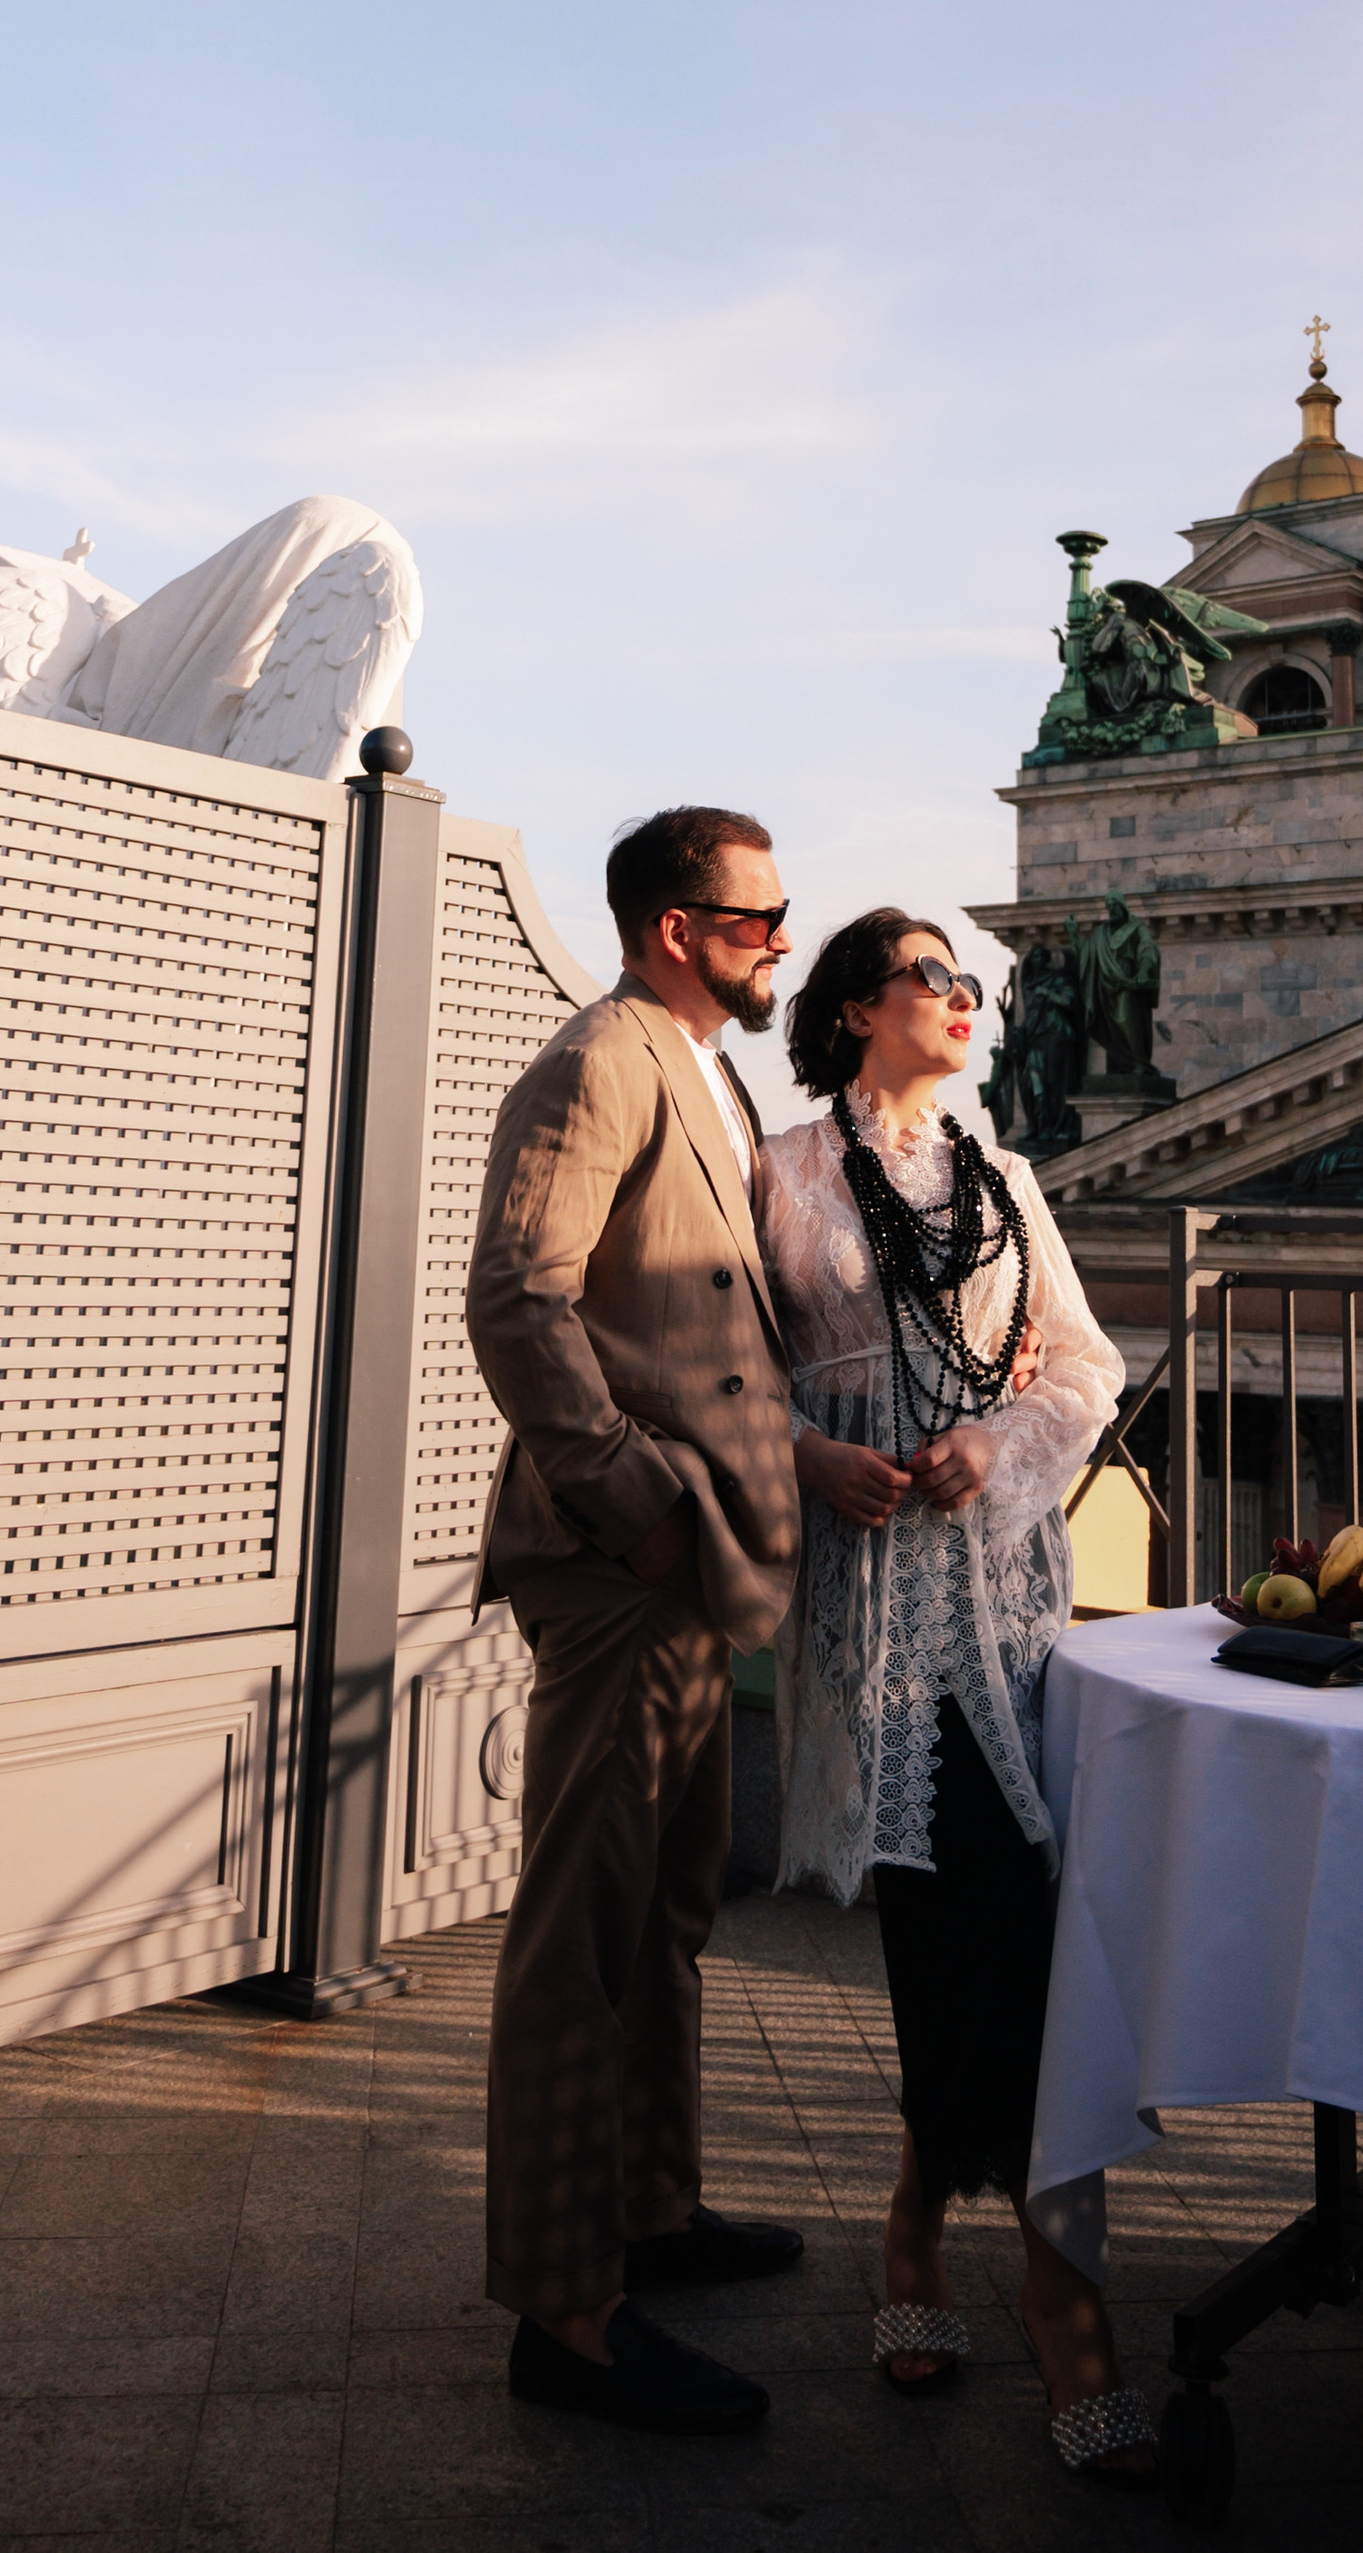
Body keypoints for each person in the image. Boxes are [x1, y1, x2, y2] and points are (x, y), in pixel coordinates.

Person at [759, 908, 1158, 2486]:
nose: (966, 999)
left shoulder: (1004, 1182)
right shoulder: (780, 1176)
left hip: (1006, 1605)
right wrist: (806, 1448)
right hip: (871, 1611)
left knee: (1024, 1923)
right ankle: (1041, 2292)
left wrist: (992, 1446)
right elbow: (723, 1363)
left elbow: (1082, 1366)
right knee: (949, 1925)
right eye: (935, 976)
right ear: (861, 1007)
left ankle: (940, 2232)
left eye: (970, 983)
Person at [465, 805, 806, 2438]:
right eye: (757, 919)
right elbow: (517, 1296)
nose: (779, 942)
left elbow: (704, 1320)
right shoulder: (604, 1058)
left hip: (701, 1561)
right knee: (582, 1940)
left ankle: (650, 2213)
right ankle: (565, 2309)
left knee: (667, 1912)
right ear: (677, 925)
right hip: (622, 1567)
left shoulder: (711, 1072)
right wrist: (632, 1495)